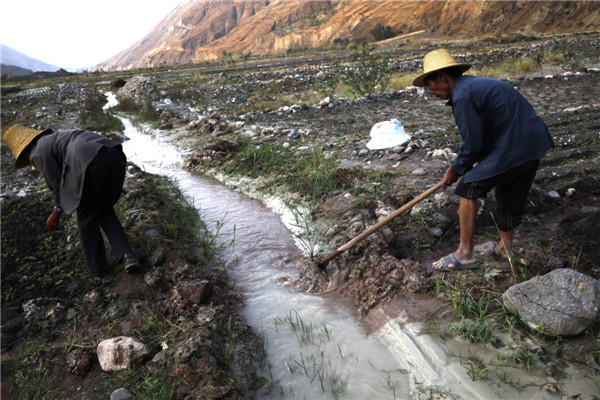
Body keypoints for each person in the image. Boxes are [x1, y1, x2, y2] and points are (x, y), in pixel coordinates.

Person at [412, 49, 554, 271]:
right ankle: (506, 248)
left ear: (443, 78)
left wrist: (455, 169)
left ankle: (464, 254)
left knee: (469, 186)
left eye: (431, 87)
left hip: (516, 145)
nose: (432, 92)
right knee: (508, 188)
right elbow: (486, 132)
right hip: (533, 143)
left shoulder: (463, 96)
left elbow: (473, 144)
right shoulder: (472, 86)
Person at [3, 124, 141, 283]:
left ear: (25, 152)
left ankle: (102, 274)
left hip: (90, 162)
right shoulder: (55, 139)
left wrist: (56, 213)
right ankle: (128, 256)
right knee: (104, 211)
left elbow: (57, 186)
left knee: (86, 221)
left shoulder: (37, 153)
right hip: (113, 154)